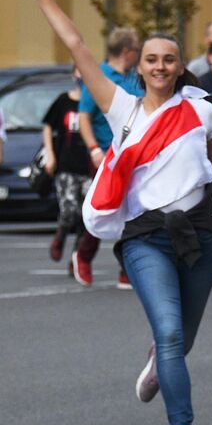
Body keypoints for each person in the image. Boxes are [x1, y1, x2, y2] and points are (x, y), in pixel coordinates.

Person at [15, 0, 212, 425]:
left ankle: (159, 362)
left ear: (180, 66)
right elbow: (76, 42)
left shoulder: (201, 112)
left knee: (182, 337)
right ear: (142, 66)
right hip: (144, 238)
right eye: (150, 59)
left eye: (168, 59)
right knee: (172, 333)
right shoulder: (120, 104)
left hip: (198, 235)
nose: (158, 66)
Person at [75, 25, 143, 289]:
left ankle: (127, 267)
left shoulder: (134, 77)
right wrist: (94, 148)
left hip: (135, 155)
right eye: (137, 50)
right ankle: (83, 254)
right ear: (127, 51)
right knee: (106, 208)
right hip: (106, 154)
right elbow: (83, 116)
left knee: (134, 210)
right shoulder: (101, 76)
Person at [42, 67, 90, 267]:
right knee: (69, 210)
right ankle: (60, 236)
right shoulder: (64, 101)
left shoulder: (94, 103)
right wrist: (50, 154)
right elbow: (47, 125)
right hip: (66, 166)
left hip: (89, 167)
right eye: (79, 72)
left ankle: (77, 257)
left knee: (87, 216)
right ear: (73, 75)